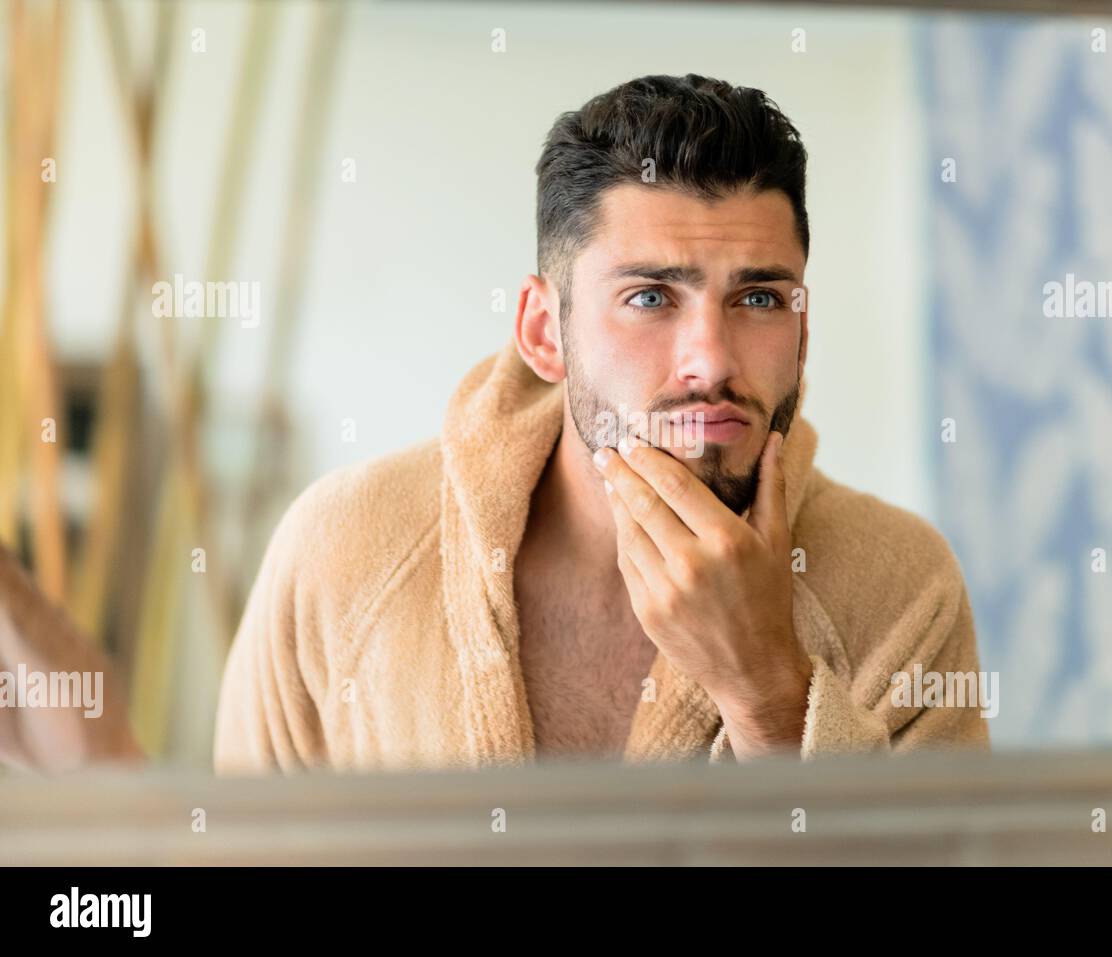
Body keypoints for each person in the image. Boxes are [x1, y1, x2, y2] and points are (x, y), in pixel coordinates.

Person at [213, 74, 990, 774]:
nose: (710, 361)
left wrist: (769, 696)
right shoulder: (342, 550)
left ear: (803, 331)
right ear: (545, 331)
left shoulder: (904, 588)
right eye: (651, 296)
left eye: (758, 298)